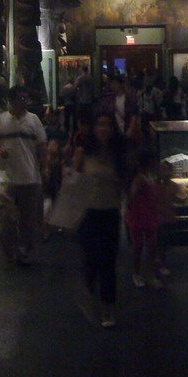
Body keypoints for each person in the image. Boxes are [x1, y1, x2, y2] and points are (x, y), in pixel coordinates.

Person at [72, 112, 126, 327]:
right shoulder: (83, 152)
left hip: (111, 211)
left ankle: (108, 309)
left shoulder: (117, 153)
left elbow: (122, 183)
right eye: (100, 124)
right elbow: (74, 180)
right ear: (93, 128)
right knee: (91, 260)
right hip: (88, 212)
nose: (104, 129)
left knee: (109, 262)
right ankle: (88, 296)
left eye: (108, 125)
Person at [0, 85, 47, 265]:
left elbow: (41, 145)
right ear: (11, 100)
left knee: (28, 219)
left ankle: (24, 249)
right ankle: (10, 251)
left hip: (29, 176)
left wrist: (45, 167)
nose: (24, 101)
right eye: (20, 98)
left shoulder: (34, 120)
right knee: (6, 217)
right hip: (5, 176)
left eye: (25, 98)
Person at [126, 149, 164, 289]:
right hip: (140, 216)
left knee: (150, 246)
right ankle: (138, 274)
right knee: (139, 247)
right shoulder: (141, 178)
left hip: (147, 215)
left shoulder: (148, 176)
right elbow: (132, 196)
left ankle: (148, 274)